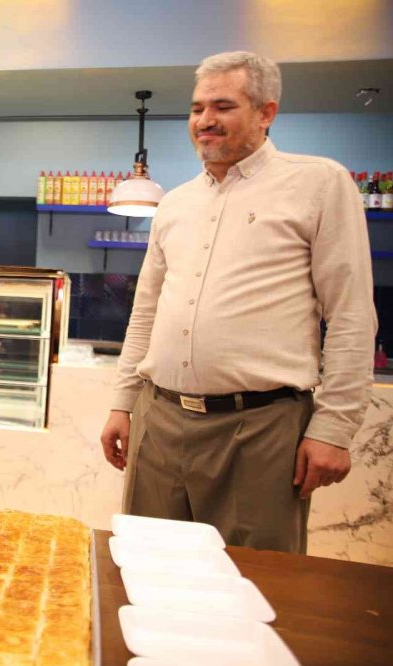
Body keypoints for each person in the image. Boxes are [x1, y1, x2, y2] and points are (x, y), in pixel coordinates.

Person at [99, 51, 376, 553]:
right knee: (149, 569)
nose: (205, 121)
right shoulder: (176, 203)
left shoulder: (319, 183)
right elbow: (146, 313)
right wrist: (123, 402)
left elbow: (352, 315)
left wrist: (334, 427)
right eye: (197, 108)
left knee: (257, 586)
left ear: (266, 112)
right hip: (159, 421)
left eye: (223, 106)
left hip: (261, 430)